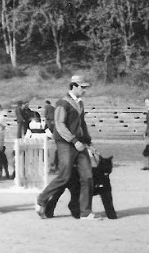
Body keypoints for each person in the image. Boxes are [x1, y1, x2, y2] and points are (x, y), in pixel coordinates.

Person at [35, 75, 100, 220]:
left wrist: (88, 142)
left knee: (88, 177)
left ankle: (85, 212)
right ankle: (42, 199)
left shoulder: (80, 103)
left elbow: (82, 125)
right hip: (65, 143)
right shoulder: (62, 103)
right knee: (64, 176)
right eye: (82, 87)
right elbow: (59, 125)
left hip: (79, 144)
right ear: (74, 86)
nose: (84, 90)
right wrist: (74, 140)